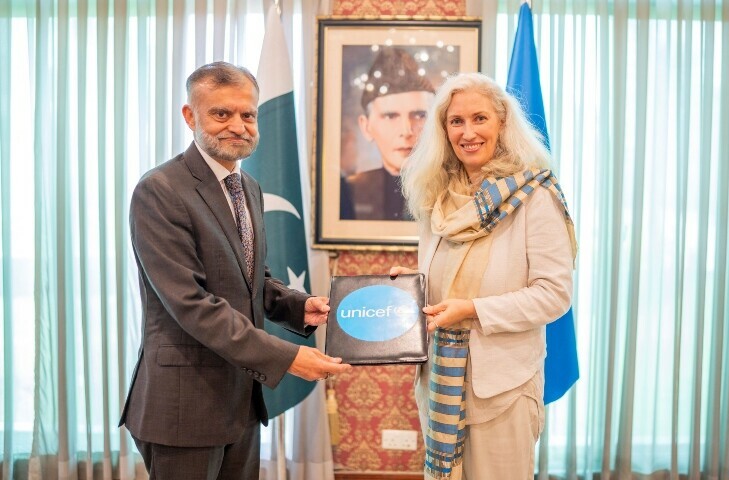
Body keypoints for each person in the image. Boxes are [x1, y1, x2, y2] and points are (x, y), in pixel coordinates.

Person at [119, 61, 351, 480]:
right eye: (221, 114)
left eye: (248, 114)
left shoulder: (248, 187)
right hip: (183, 407)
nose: (238, 126)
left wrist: (300, 308)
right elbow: (192, 305)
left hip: (241, 401)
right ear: (190, 116)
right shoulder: (159, 190)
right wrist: (289, 356)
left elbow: (249, 280)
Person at [389, 72, 577, 479]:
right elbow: (442, 282)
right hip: (440, 379)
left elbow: (554, 294)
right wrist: (413, 284)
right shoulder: (435, 195)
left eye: (480, 119)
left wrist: (472, 310)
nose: (468, 132)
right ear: (443, 130)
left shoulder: (536, 196)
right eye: (456, 121)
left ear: (503, 124)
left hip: (503, 387)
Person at [340, 46, 435, 221]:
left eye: (420, 115)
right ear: (366, 126)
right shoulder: (348, 191)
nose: (406, 131)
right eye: (391, 116)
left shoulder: (451, 189)